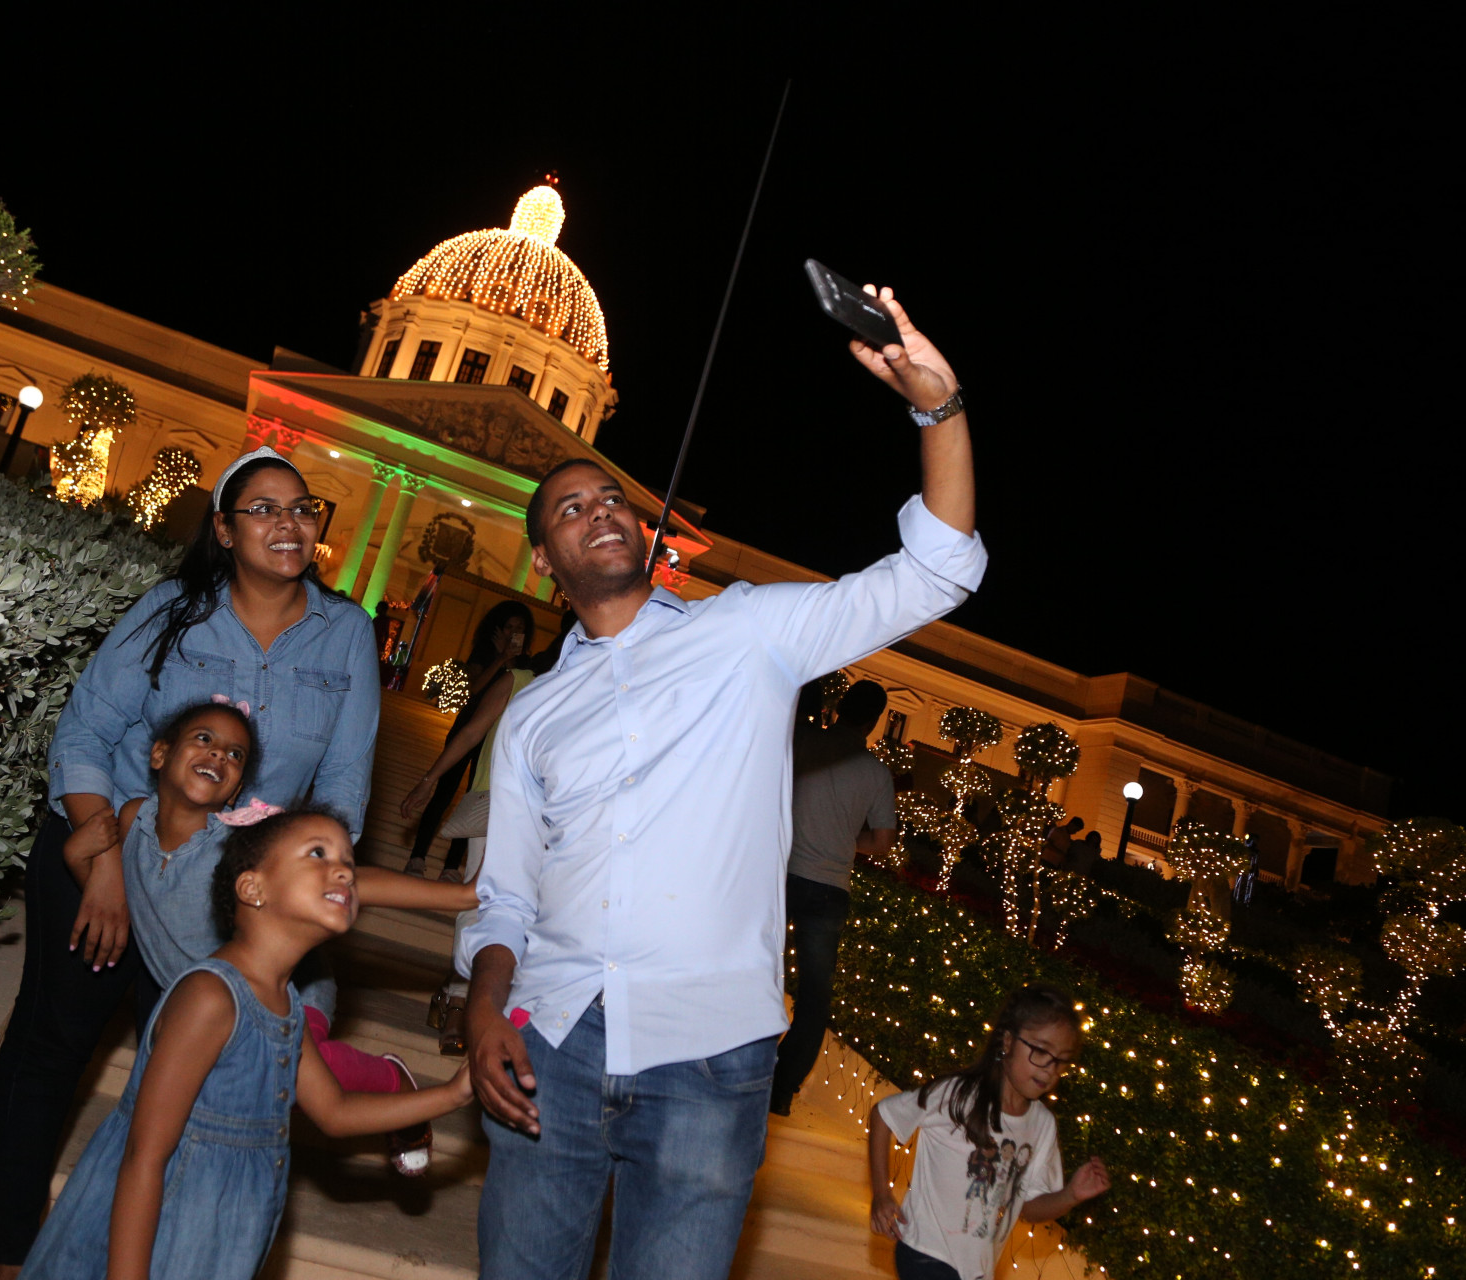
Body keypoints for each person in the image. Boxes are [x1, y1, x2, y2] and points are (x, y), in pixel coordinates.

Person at [463, 284, 987, 1280]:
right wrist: (487, 1008)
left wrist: (939, 408)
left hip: (708, 1053)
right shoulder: (532, 716)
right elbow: (506, 898)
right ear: (542, 564)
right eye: (571, 508)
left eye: (611, 497)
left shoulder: (745, 631)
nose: (600, 510)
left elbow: (938, 572)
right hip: (553, 1042)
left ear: (642, 531)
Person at [0, 446, 382, 1278]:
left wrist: (305, 885)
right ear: (225, 530)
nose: (288, 523)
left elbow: (343, 783)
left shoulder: (345, 632)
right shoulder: (172, 611)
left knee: (189, 1089)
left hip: (226, 894)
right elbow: (86, 734)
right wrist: (104, 862)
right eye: (264, 509)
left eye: (302, 508)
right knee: (52, 1049)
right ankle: (11, 1257)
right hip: (110, 848)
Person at [19, 805, 475, 1279]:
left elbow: (334, 1112)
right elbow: (143, 1158)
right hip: (154, 1232)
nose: (344, 870)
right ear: (253, 888)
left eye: (348, 860)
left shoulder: (285, 1004)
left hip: (220, 1234)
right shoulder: (211, 998)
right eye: (318, 853)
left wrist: (452, 1094)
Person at [68, 697, 478, 1177]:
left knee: (301, 1083)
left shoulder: (235, 849)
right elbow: (112, 904)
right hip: (211, 1006)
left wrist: (461, 896)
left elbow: (350, 880)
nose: (219, 754)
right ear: (159, 753)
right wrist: (78, 854)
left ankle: (391, 1080)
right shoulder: (133, 818)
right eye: (204, 739)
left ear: (237, 789)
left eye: (235, 754)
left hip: (289, 986)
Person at [868, 983, 1110, 1280]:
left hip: (977, 1270)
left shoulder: (1042, 1125)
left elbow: (1029, 1208)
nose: (1050, 1069)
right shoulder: (957, 1095)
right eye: (1040, 1051)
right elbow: (885, 1115)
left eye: (1060, 1061)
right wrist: (882, 1194)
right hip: (926, 1251)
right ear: (1008, 1041)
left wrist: (1070, 1195)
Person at [769, 678, 898, 1116]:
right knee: (814, 996)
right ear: (873, 722)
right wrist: (845, 839)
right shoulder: (876, 774)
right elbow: (883, 842)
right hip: (829, 888)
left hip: (781, 873)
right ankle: (783, 1085)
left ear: (840, 706)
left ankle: (741, 1059)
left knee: (758, 968)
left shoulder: (805, 742)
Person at [403, 602, 535, 880]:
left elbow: (517, 690)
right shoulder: (485, 651)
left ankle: (451, 866)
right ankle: (418, 856)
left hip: (492, 738)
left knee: (474, 799)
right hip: (468, 728)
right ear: (498, 627)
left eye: (520, 628)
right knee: (444, 793)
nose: (514, 632)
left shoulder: (525, 664)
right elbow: (475, 688)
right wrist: (500, 658)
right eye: (509, 626)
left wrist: (511, 660)